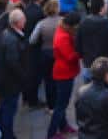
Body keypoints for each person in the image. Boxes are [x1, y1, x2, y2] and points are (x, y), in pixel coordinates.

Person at [0, 9, 27, 139]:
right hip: (10, 82)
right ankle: (7, 135)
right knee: (9, 109)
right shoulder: (12, 39)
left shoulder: (7, 34)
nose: (25, 21)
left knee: (4, 107)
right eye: (23, 20)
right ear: (17, 22)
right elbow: (12, 62)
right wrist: (23, 75)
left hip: (5, 80)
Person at [47, 11, 81, 139]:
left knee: (63, 103)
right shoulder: (63, 37)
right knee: (60, 105)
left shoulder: (63, 31)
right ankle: (51, 133)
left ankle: (63, 125)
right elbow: (70, 56)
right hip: (64, 74)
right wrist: (80, 51)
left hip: (64, 72)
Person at [76, 0, 108, 80]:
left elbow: (78, 44)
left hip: (88, 64)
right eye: (106, 4)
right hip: (104, 67)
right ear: (101, 7)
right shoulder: (107, 24)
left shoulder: (84, 23)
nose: (107, 6)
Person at [29, 0, 61, 110]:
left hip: (45, 53)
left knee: (48, 80)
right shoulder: (62, 22)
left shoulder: (41, 23)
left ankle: (50, 104)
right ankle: (59, 102)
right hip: (59, 53)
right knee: (59, 78)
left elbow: (32, 40)